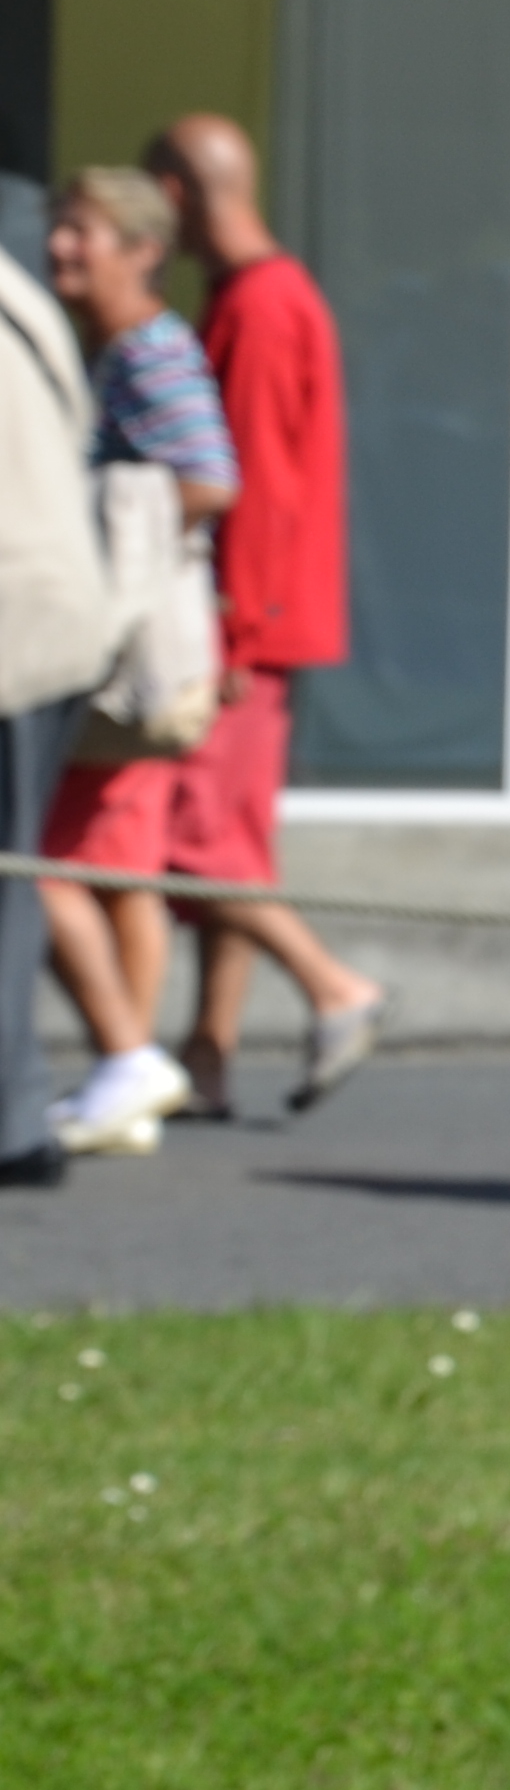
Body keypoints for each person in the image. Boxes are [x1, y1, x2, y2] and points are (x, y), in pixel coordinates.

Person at [143, 114, 387, 1117]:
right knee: (232, 839)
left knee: (197, 843)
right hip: (265, 617)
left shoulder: (260, 305)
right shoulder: (263, 296)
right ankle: (209, 1050)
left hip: (249, 621)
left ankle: (334, 987)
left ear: (177, 194)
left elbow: (249, 481)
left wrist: (234, 625)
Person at [34, 164, 239, 1155]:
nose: (60, 246)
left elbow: (209, 478)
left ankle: (127, 1058)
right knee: (117, 872)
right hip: (125, 659)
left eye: (83, 230)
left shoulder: (150, 352)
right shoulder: (115, 348)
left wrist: (111, 566)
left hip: (124, 656)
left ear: (144, 250)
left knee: (46, 865)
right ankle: (127, 1068)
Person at [0, 217, 120, 1186]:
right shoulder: (20, 293)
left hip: (17, 621)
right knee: (13, 875)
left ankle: (12, 1115)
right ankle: (14, 1112)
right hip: (56, 611)